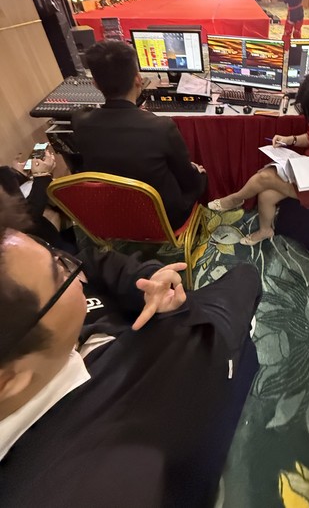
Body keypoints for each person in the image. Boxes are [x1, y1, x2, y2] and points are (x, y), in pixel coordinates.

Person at [0, 190, 261, 507]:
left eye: (55, 255)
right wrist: (178, 314)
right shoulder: (108, 471)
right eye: (59, 275)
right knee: (244, 282)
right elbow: (237, 293)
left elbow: (91, 261)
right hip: (197, 357)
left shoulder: (27, 331)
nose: (72, 270)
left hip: (147, 325)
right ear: (7, 381)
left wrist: (144, 280)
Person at [208, 70, 309, 245]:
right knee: (266, 195)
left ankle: (235, 199)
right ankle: (265, 230)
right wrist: (290, 140)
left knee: (265, 176)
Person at [72, 41, 207, 230]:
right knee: (199, 176)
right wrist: (195, 172)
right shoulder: (162, 127)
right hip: (164, 219)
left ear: (95, 84)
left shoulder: (80, 121)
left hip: (115, 213)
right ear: (138, 79)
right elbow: (187, 179)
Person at [0, 151, 74, 251]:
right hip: (41, 249)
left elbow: (17, 205)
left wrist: (17, 175)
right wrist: (42, 176)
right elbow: (25, 220)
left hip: (48, 239)